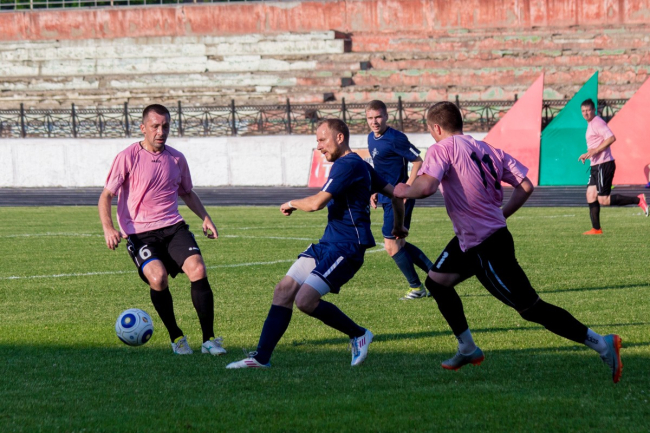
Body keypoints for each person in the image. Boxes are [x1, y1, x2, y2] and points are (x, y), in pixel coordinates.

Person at [394, 101, 623, 383]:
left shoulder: (442, 148)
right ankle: (467, 348)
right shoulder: (488, 148)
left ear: (437, 128)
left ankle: (602, 343)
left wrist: (404, 189)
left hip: (486, 245)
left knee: (530, 308)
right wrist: (500, 215)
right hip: (473, 239)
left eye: (430, 130)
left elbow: (427, 186)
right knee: (437, 282)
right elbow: (525, 186)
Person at [226, 119, 407, 369]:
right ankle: (260, 358)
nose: (319, 146)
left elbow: (316, 204)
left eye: (322, 140)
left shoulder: (347, 165)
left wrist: (291, 203)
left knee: (305, 300)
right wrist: (398, 226)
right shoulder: (360, 165)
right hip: (328, 244)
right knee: (283, 290)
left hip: (347, 248)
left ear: (340, 138)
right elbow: (396, 194)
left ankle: (359, 334)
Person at [98, 104, 225, 356]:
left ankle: (209, 339)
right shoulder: (128, 156)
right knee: (158, 278)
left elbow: (187, 192)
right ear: (143, 128)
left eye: (165, 126)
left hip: (173, 227)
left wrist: (205, 217)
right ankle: (177, 337)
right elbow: (106, 195)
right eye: (155, 126)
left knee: (198, 269)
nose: (160, 131)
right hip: (140, 234)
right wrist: (108, 228)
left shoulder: (176, 158)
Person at [365, 100, 434, 300]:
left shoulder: (396, 138)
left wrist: (407, 189)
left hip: (398, 198)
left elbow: (418, 161)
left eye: (378, 117)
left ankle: (417, 288)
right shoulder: (371, 138)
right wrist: (375, 190)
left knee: (391, 245)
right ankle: (438, 277)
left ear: (386, 116)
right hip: (386, 195)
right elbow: (380, 169)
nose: (374, 121)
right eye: (370, 118)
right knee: (399, 243)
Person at [578, 98, 648, 235]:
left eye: (588, 110)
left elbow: (611, 138)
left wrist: (595, 151)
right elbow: (595, 145)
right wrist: (588, 154)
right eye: (583, 111)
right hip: (596, 165)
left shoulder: (597, 122)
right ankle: (596, 229)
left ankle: (638, 199)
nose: (585, 113)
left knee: (603, 199)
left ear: (594, 110)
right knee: (590, 195)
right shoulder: (591, 124)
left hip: (604, 164)